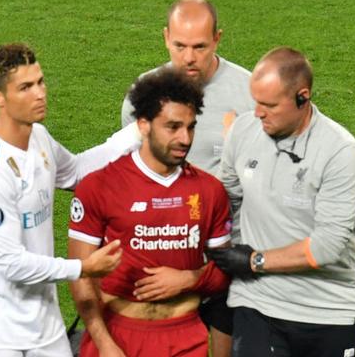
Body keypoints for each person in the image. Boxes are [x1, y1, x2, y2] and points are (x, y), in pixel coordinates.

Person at [0, 43, 141, 357]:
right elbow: (12, 264)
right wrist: (82, 267)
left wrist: (140, 128)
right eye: (25, 87)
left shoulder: (38, 138)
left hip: (45, 330)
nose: (40, 93)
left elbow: (77, 171)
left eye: (40, 82)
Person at [209, 46, 355, 357]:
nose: (257, 113)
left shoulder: (340, 153)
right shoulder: (243, 131)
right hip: (258, 304)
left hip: (329, 310)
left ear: (302, 98)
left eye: (269, 105)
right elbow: (223, 198)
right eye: (255, 102)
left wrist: (254, 261)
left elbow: (326, 246)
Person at [120, 0, 255, 355]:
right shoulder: (143, 95)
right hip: (165, 253)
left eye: (200, 46)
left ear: (218, 39)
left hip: (228, 256)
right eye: (180, 46)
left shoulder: (248, 94)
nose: (189, 57)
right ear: (166, 37)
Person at [69, 68, 233, 357]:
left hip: (185, 339)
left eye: (190, 126)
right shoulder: (99, 186)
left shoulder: (209, 191)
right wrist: (104, 343)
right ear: (143, 125)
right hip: (117, 338)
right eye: (172, 127)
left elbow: (225, 271)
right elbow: (81, 276)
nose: (185, 138)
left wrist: (190, 279)